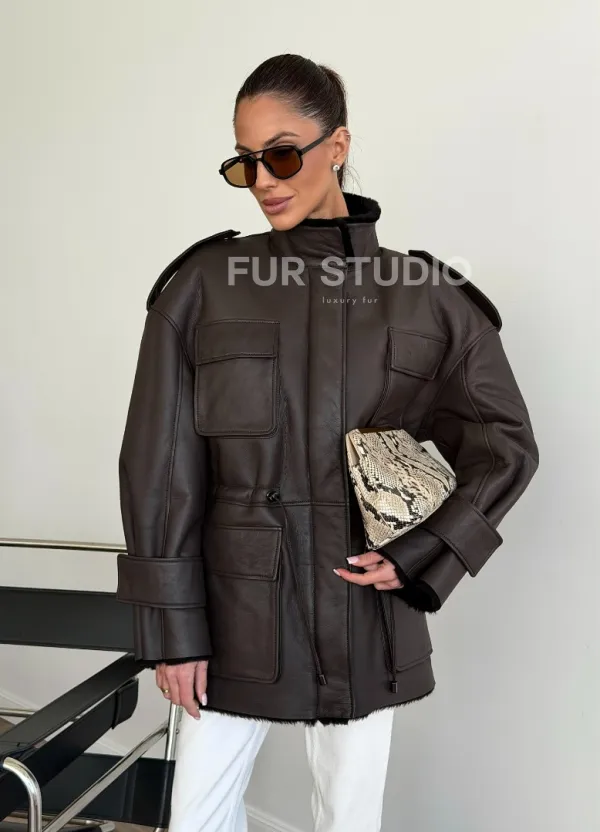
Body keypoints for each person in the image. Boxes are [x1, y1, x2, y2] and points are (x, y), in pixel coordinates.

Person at [115, 53, 539, 832]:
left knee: (349, 819)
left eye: (280, 155)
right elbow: (160, 471)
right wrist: (173, 633)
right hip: (233, 611)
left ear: (336, 145)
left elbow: (505, 445)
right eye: (244, 164)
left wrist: (422, 553)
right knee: (196, 818)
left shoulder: (426, 295)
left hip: (364, 615)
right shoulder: (204, 285)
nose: (263, 180)